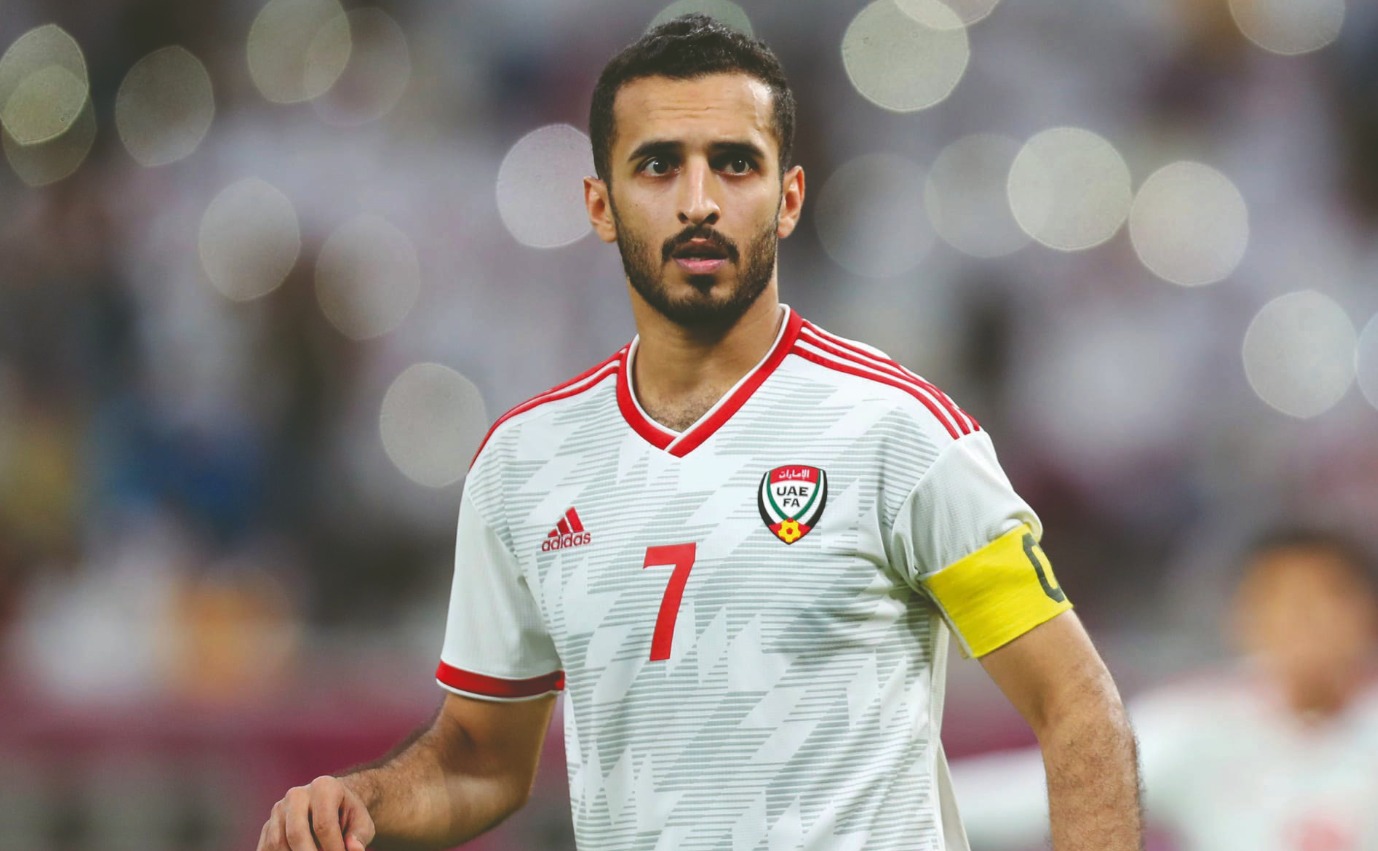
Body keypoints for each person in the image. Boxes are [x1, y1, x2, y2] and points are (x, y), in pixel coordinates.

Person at [256, 15, 1141, 851]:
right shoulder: (525, 464)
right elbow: (481, 757)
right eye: (657, 166)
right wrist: (364, 800)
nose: (698, 201)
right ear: (600, 204)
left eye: (734, 164)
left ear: (788, 197)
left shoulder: (898, 433)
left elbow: (1076, 707)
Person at [953, 527, 1378, 850]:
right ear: (1244, 618)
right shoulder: (1199, 728)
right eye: (1281, 601)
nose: (1303, 619)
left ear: (1366, 613)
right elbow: (1027, 799)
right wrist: (920, 789)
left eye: (1324, 598)